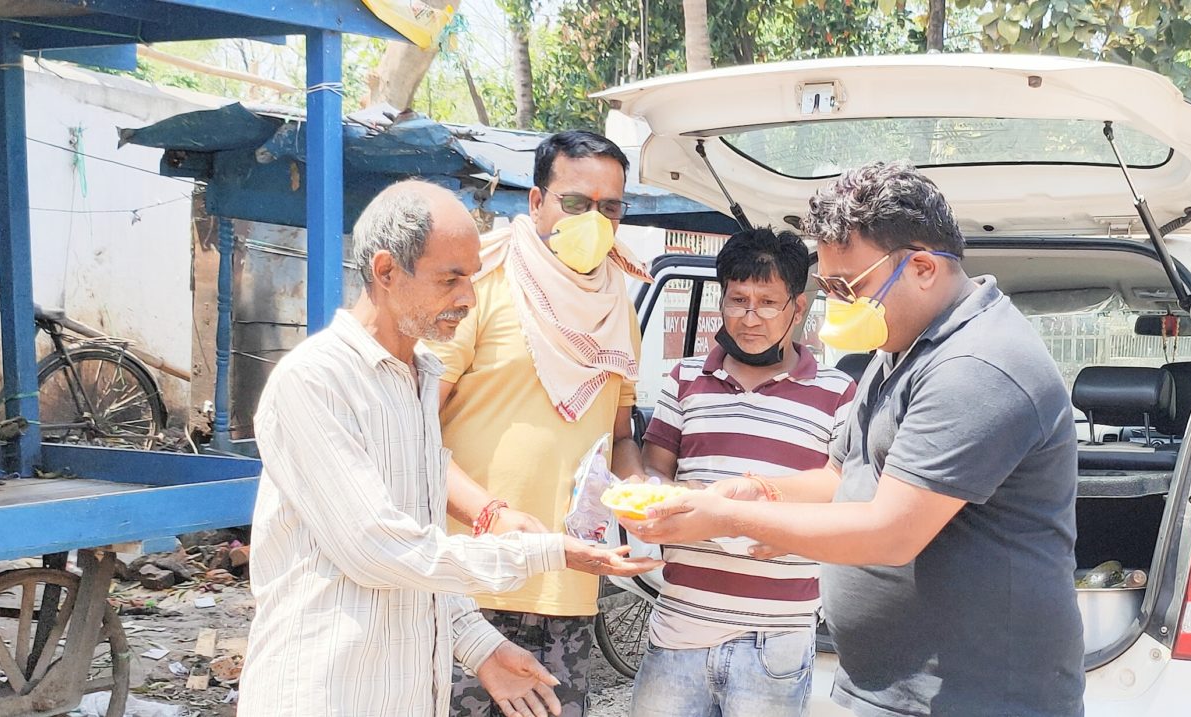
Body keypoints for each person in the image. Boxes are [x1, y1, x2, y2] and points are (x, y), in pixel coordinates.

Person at [622, 162, 1085, 716]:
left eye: (849, 287)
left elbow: (890, 533)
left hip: (976, 695)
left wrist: (728, 517)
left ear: (921, 268)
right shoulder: (901, 349)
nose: (837, 305)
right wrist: (758, 492)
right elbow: (840, 476)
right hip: (894, 684)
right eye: (830, 289)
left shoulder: (978, 364)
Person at [239, 180, 660, 717]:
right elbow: (380, 551)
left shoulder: (418, 378)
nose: (468, 297)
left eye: (471, 277)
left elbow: (419, 552)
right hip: (327, 691)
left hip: (405, 692)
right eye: (450, 279)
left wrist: (482, 648)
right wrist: (547, 551)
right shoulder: (317, 381)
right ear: (386, 271)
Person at [425, 130, 653, 717]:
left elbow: (618, 436)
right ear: (536, 202)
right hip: (468, 587)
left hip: (567, 589)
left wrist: (638, 490)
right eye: (576, 203)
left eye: (610, 208)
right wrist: (490, 516)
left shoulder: (617, 309)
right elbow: (411, 434)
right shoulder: (480, 287)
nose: (594, 222)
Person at [631, 228, 855, 717]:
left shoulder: (839, 392)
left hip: (776, 637)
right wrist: (667, 500)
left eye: (768, 303)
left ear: (798, 307)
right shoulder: (685, 379)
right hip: (680, 627)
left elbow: (843, 490)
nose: (750, 318)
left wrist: (774, 516)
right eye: (738, 300)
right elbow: (653, 470)